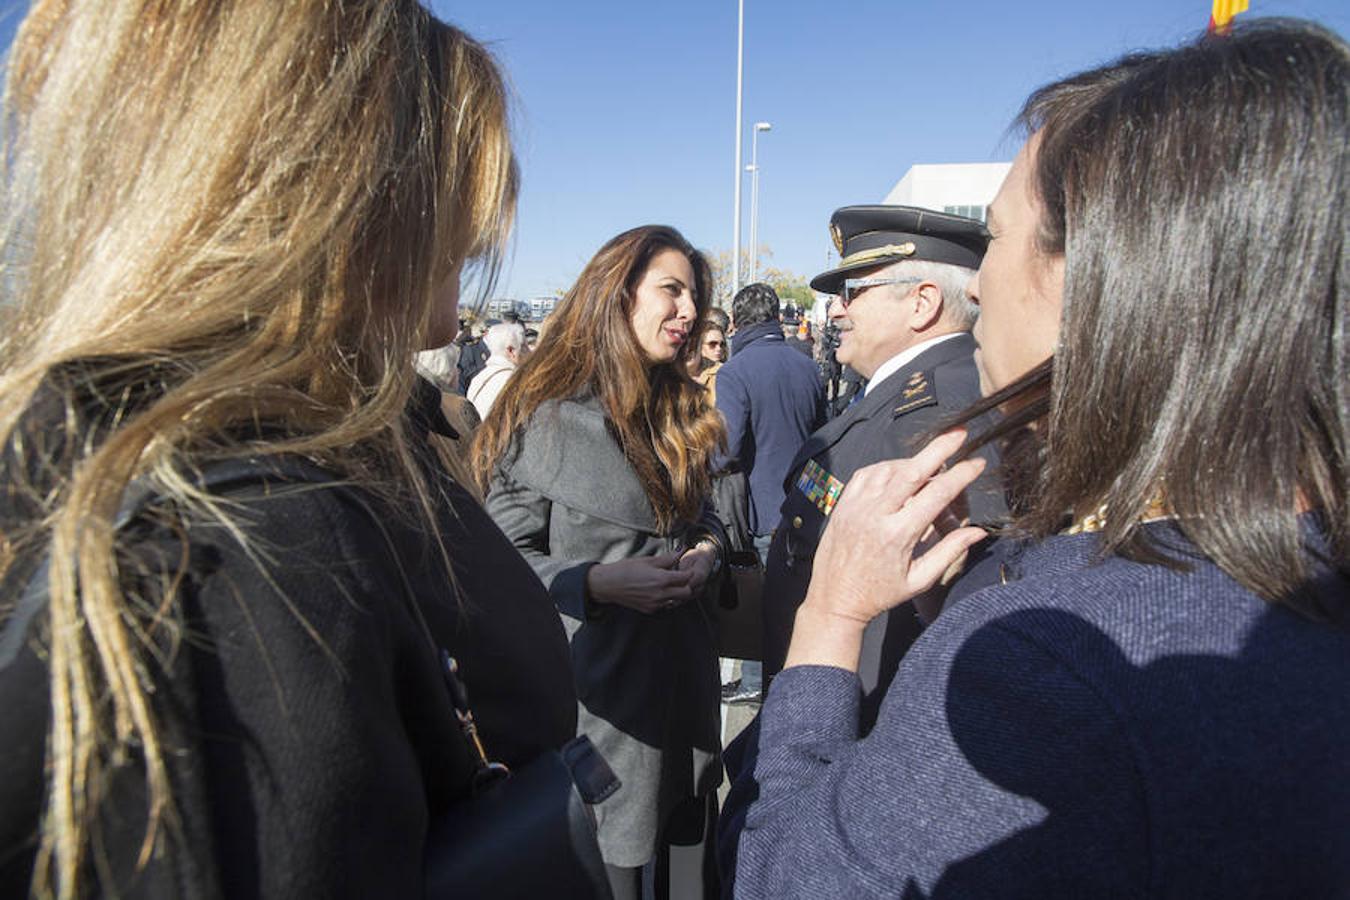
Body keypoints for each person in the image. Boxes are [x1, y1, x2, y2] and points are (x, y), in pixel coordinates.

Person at [727, 20, 1349, 897]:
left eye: (998, 237)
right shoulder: (1292, 569)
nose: (978, 284)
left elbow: (787, 881)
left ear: (1108, 273)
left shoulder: (1047, 664)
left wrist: (829, 616)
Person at [0, 3, 581, 897]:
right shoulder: (247, 546)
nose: (471, 252)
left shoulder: (256, 454)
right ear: (337, 196)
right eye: (450, 215)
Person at [473, 225, 729, 899]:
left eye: (693, 296)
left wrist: (706, 553)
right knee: (615, 874)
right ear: (618, 295)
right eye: (671, 290)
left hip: (687, 694)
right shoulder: (543, 417)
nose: (688, 311)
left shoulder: (681, 406)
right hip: (605, 709)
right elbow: (499, 565)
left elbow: (706, 517)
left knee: (691, 865)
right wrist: (595, 583)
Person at [760, 205, 1005, 730]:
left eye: (853, 292)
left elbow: (953, 622)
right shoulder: (902, 397)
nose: (836, 311)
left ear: (922, 303)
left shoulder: (941, 411)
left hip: (854, 731)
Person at [714, 283, 826, 705]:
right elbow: (822, 436)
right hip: (807, 504)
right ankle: (785, 682)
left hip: (761, 509)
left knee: (763, 602)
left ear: (736, 322)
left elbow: (724, 449)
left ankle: (756, 683)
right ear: (776, 317)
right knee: (797, 602)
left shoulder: (735, 371)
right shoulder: (807, 367)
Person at [467, 320, 529, 418]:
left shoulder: (478, 378)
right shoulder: (515, 381)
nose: (529, 352)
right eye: (524, 347)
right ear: (511, 351)